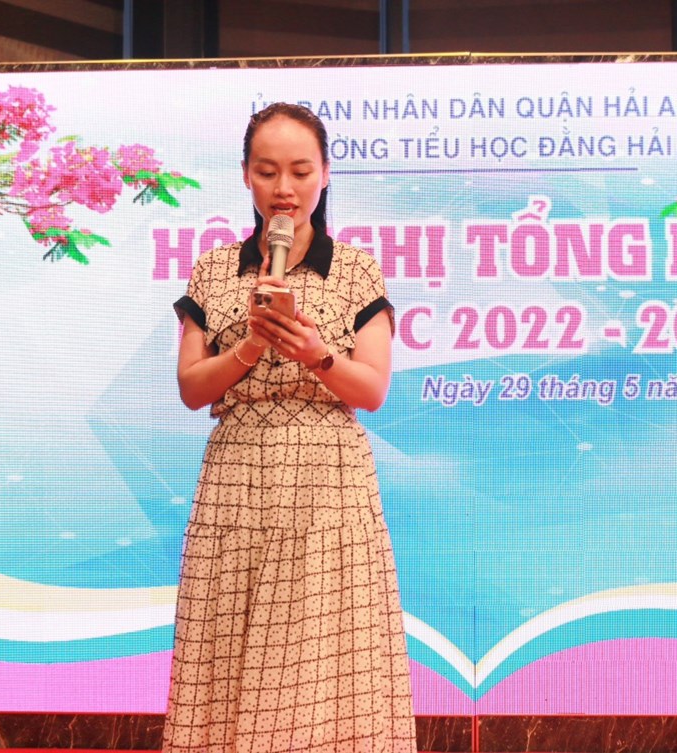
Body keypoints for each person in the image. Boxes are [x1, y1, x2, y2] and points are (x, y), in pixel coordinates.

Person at [164, 102, 417, 752]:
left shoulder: (355, 270)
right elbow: (192, 387)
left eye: (301, 171)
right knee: (226, 648)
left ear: (325, 174)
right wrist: (249, 347)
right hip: (236, 480)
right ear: (246, 174)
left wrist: (316, 353)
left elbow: (373, 388)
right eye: (268, 171)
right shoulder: (214, 269)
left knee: (322, 656)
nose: (285, 188)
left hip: (328, 480)